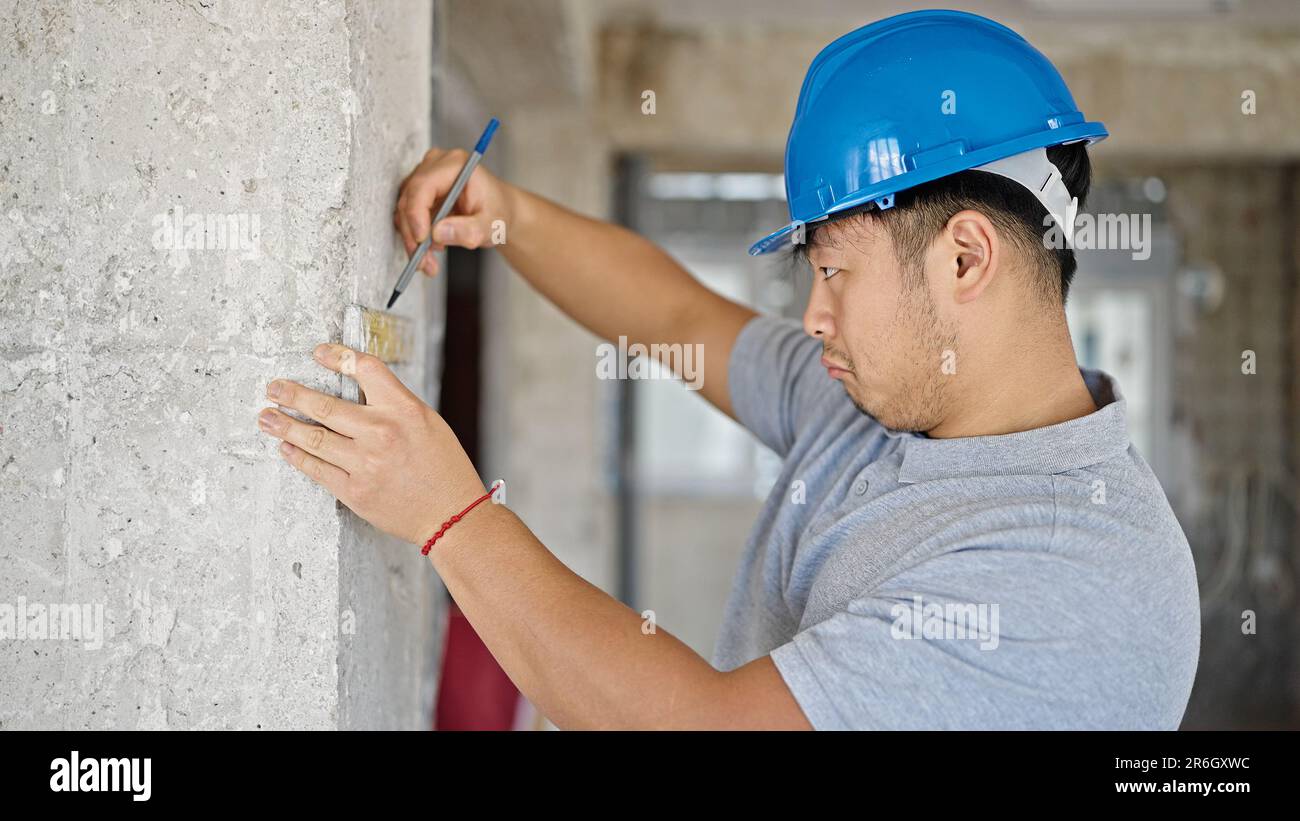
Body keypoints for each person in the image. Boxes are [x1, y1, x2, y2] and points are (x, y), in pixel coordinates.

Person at [255, 10, 1200, 729]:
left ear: (964, 259)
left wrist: (448, 515)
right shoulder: (883, 408)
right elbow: (674, 316)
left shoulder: (1081, 576)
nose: (813, 316)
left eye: (831, 270)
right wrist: (510, 218)